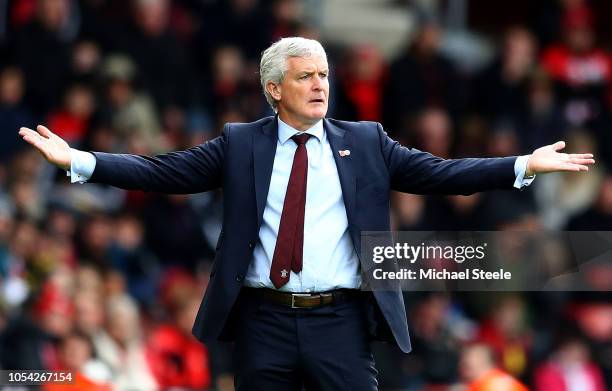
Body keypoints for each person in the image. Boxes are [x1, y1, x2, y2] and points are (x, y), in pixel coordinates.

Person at [19, 37, 594, 390]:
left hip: (341, 322)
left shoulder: (366, 140)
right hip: (262, 320)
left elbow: (440, 173)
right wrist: (80, 160)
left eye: (324, 74)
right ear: (274, 88)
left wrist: (522, 163)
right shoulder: (240, 143)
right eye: (305, 76)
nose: (320, 84)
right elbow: (163, 172)